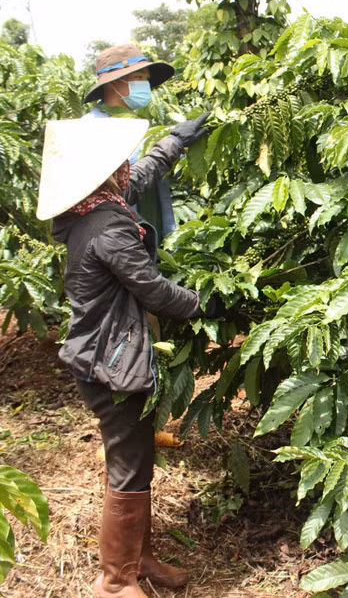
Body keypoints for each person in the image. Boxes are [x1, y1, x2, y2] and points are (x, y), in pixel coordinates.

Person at [36, 115, 212, 598]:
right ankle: (115, 581)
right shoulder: (107, 223)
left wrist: (175, 142)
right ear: (102, 172)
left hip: (105, 353)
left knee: (137, 455)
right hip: (110, 362)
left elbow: (141, 175)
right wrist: (206, 304)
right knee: (129, 464)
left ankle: (140, 560)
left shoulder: (92, 205)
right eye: (118, 162)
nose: (126, 167)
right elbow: (153, 290)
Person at [84, 43, 179, 240]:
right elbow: (109, 194)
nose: (144, 84)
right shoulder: (90, 130)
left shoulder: (139, 125)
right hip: (119, 242)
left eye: (146, 79)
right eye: (137, 78)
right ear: (113, 83)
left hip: (156, 231)